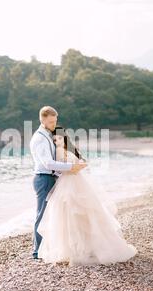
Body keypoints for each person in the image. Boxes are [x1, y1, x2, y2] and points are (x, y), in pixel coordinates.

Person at [37, 126, 137, 266]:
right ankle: (76, 249)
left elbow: (80, 163)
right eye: (54, 140)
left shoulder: (68, 149)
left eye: (59, 138)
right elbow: (59, 168)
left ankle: (89, 247)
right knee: (71, 215)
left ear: (64, 137)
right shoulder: (58, 151)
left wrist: (78, 165)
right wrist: (73, 167)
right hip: (67, 183)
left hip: (78, 182)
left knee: (85, 213)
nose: (57, 141)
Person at [29, 106, 87, 260]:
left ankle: (48, 247)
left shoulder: (49, 134)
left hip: (52, 178)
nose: (54, 125)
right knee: (42, 214)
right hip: (43, 179)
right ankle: (36, 251)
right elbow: (48, 163)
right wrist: (71, 167)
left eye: (55, 121)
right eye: (51, 122)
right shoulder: (40, 138)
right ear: (42, 120)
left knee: (52, 214)